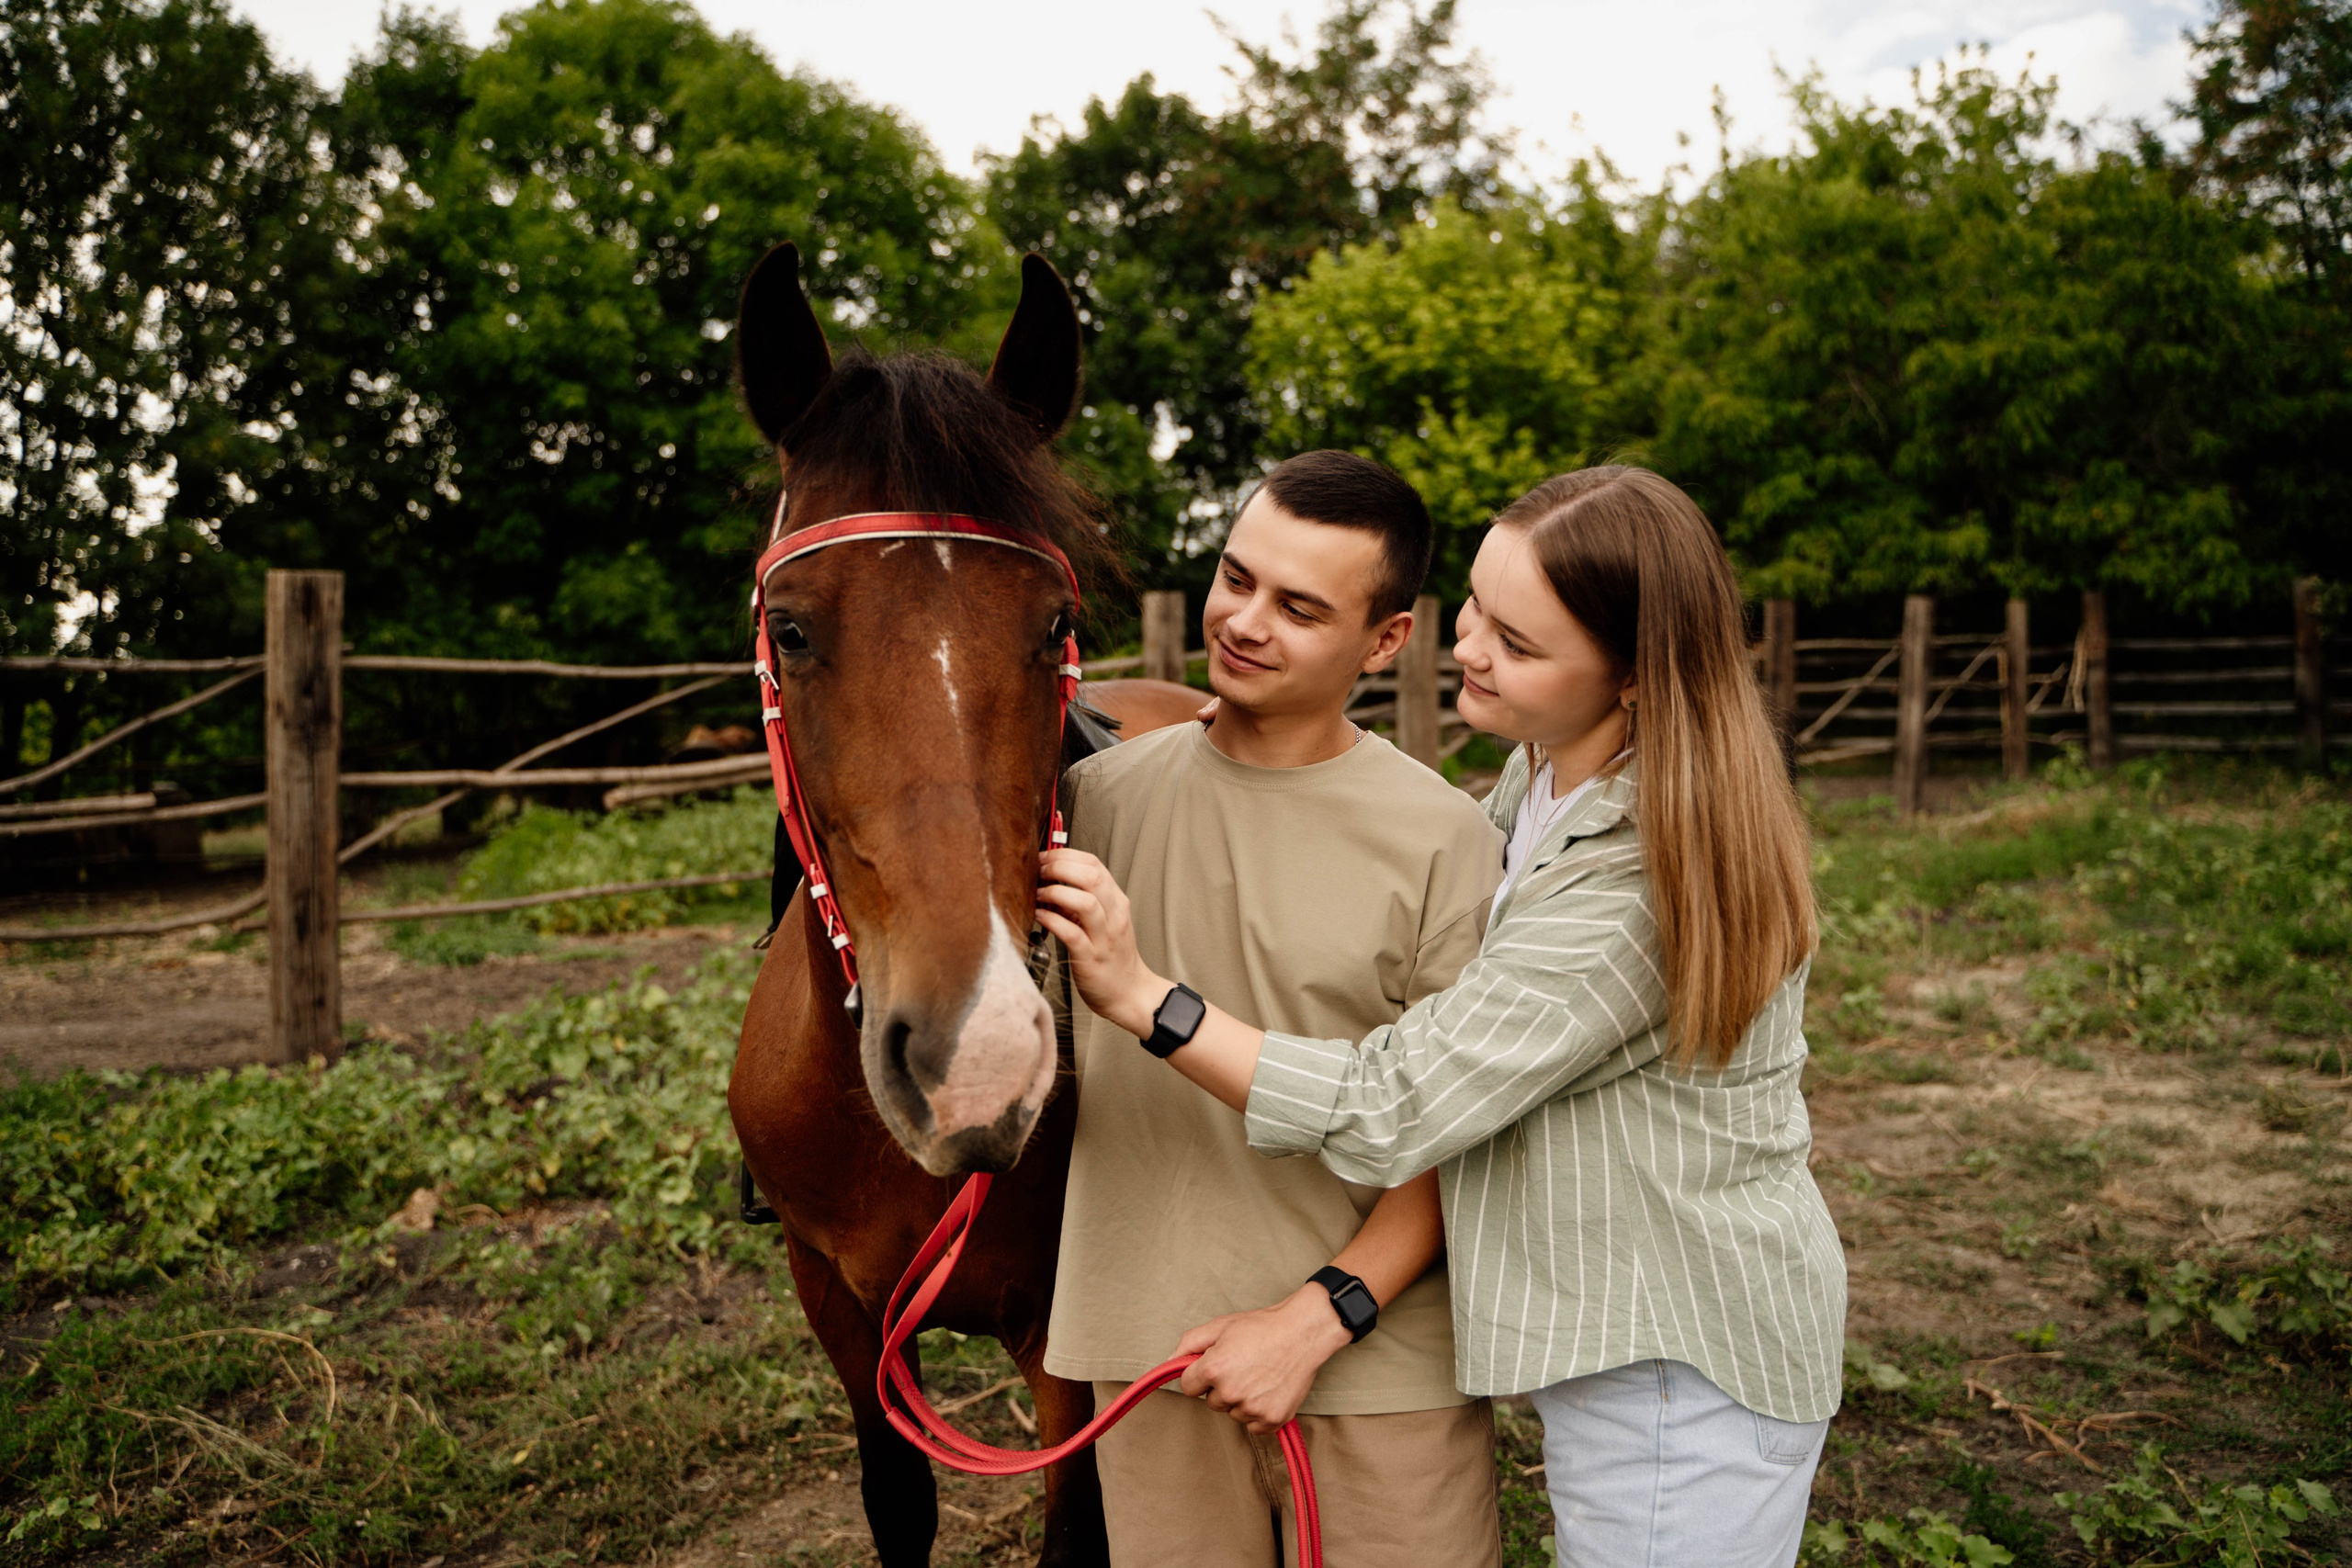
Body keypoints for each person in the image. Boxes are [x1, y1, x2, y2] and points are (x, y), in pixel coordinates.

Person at [1040, 465, 1845, 1568]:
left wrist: (1144, 999)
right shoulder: (1534, 788)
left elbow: (1401, 1103)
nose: (1468, 651)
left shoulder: (1636, 886)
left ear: (1634, 681)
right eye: (1477, 611)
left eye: (1517, 645)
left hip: (1677, 1349)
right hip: (1601, 1326)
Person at [1046, 450, 1507, 1567]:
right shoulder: (1083, 806)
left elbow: (1468, 1136)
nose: (1245, 622)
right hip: (1149, 1355)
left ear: (1386, 640)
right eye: (1235, 578)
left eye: (1300, 607)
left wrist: (1317, 1319)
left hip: (1378, 1362)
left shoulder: (1446, 839)